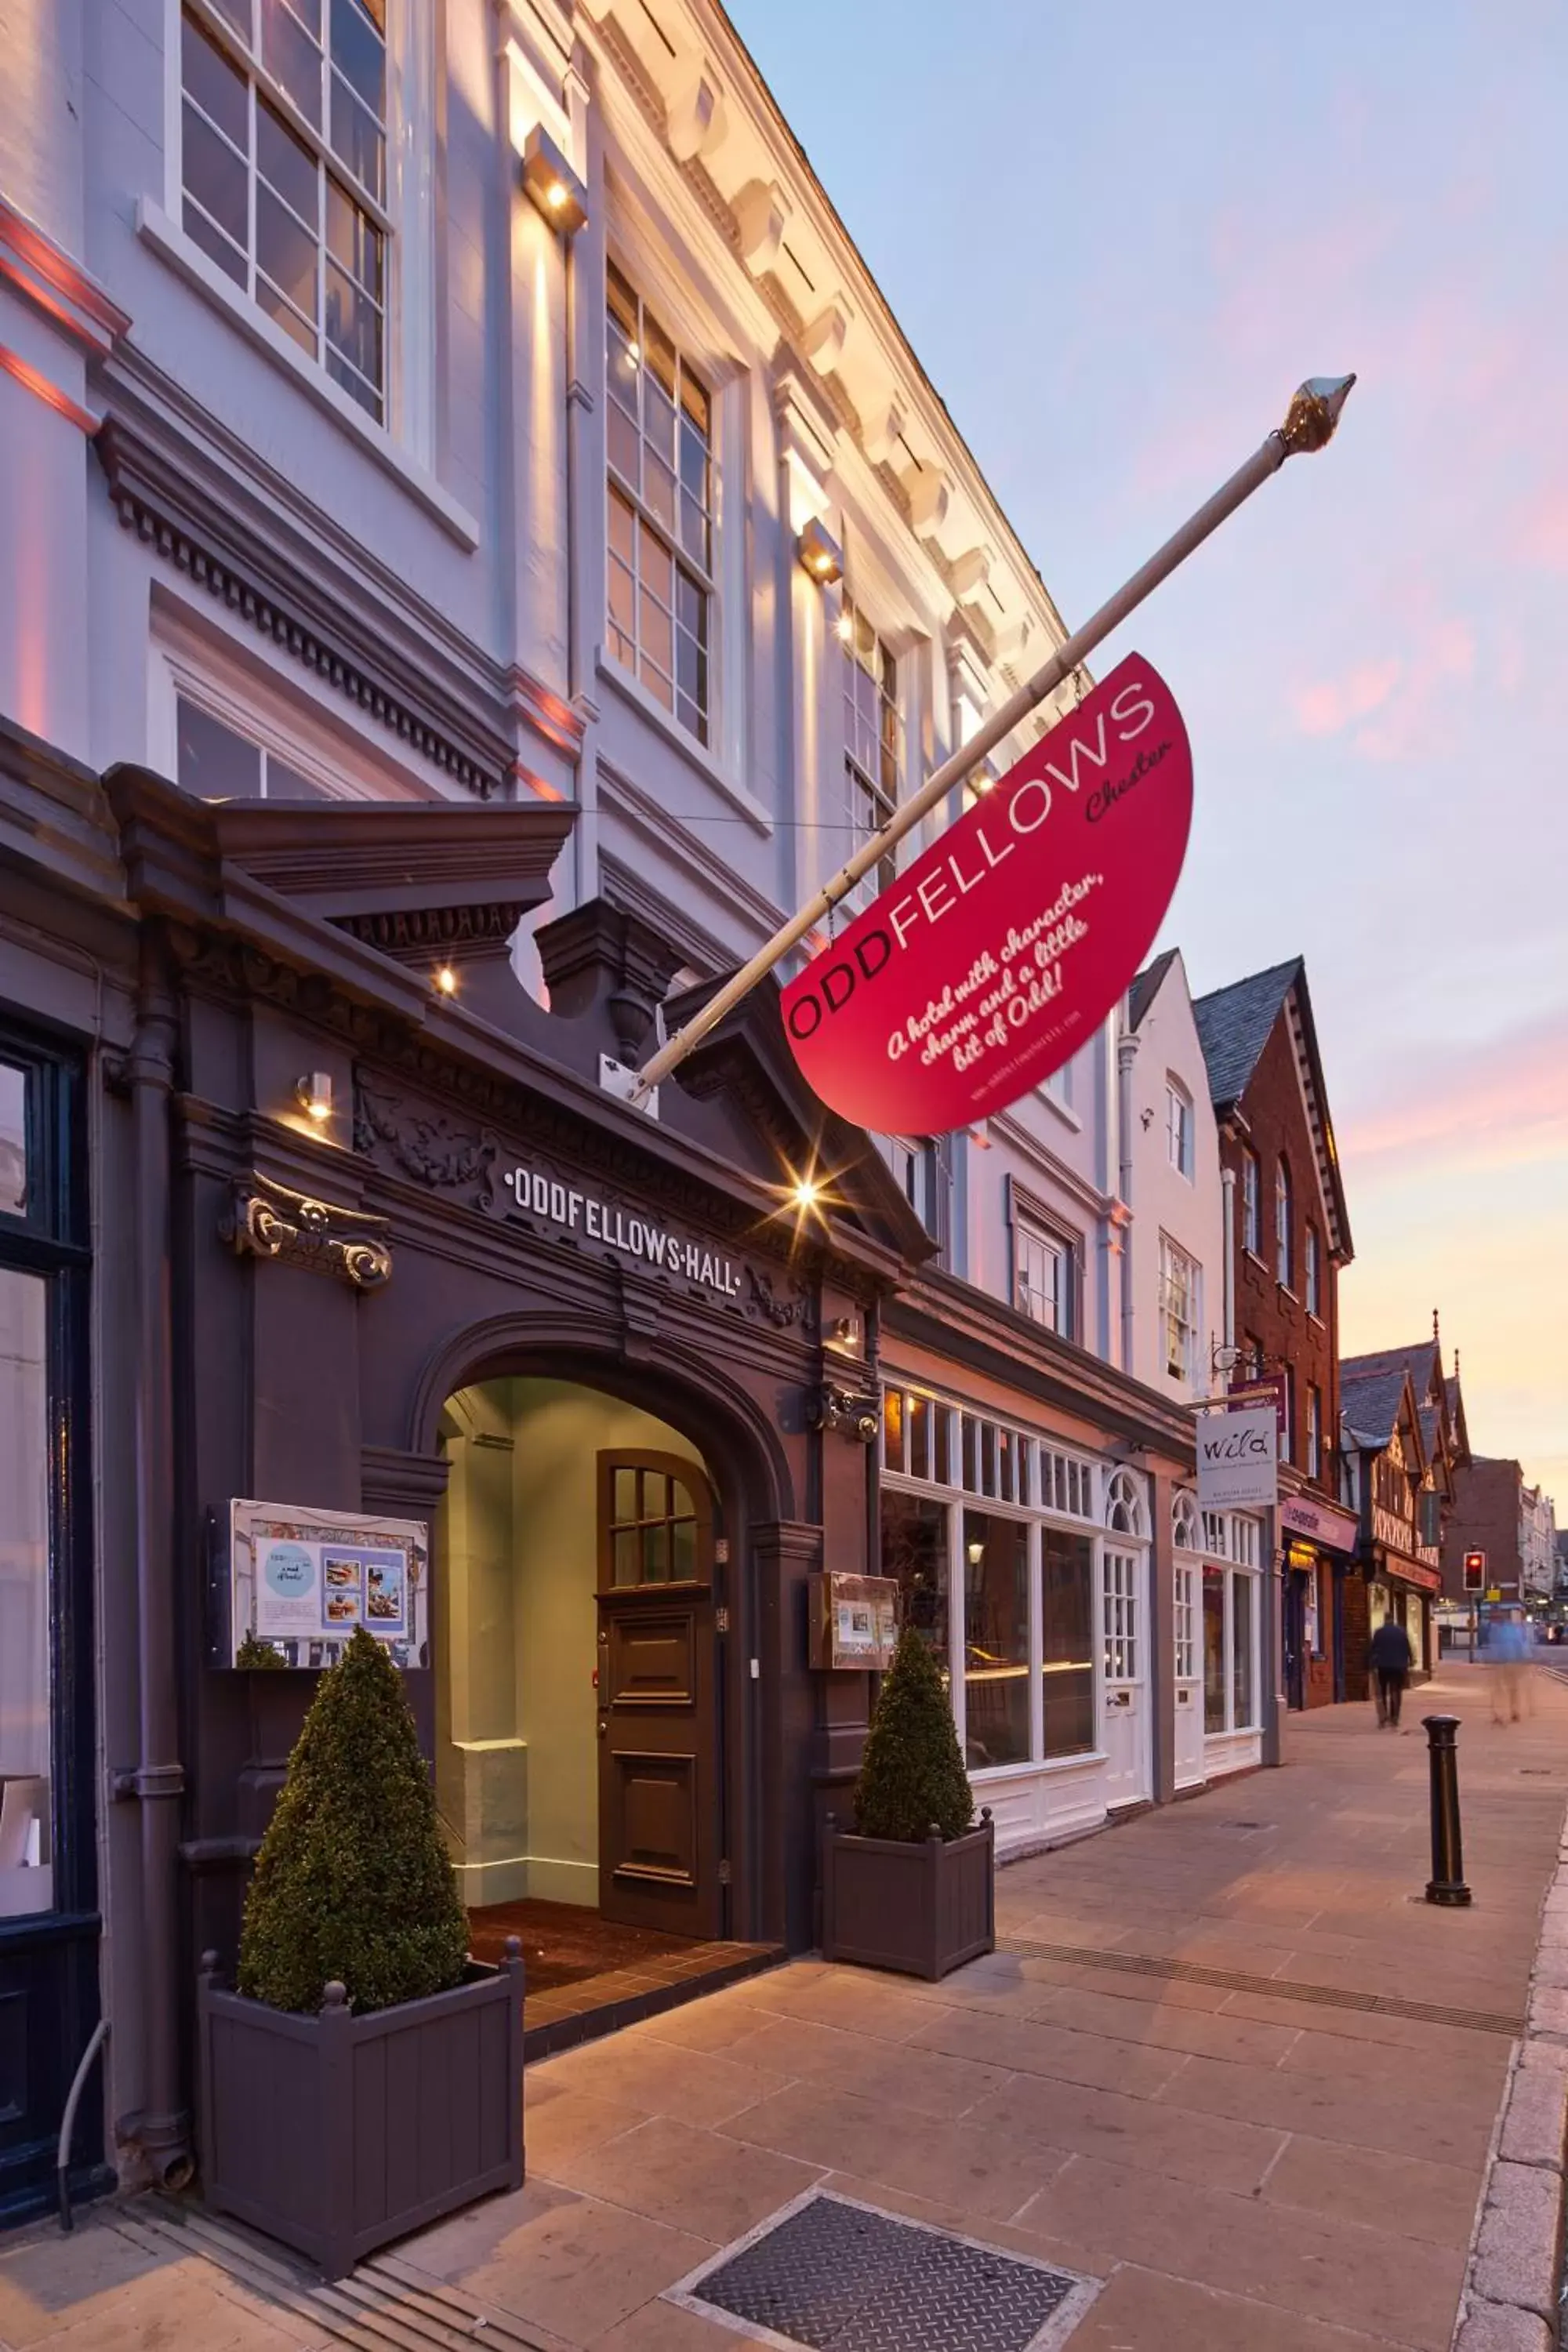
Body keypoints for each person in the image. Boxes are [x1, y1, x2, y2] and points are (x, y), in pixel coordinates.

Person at [1367, 1615, 1414, 1726]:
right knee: (1396, 1691)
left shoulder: (1379, 1632)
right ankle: (1395, 1717)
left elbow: (1373, 1649)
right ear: (1393, 1620)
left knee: (1382, 1692)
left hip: (1383, 1666)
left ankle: (1383, 1717)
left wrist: (1370, 1663)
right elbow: (1408, 1648)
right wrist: (1410, 1660)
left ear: (1385, 1620)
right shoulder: (1401, 1632)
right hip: (1399, 1666)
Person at [1491, 1612, 1530, 1723]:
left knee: (1500, 1689)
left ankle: (1501, 1713)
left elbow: (1496, 1648)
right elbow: (1520, 1646)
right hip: (1513, 1662)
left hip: (1504, 1662)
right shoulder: (1515, 1630)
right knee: (1513, 1689)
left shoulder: (1499, 1631)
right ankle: (1514, 1712)